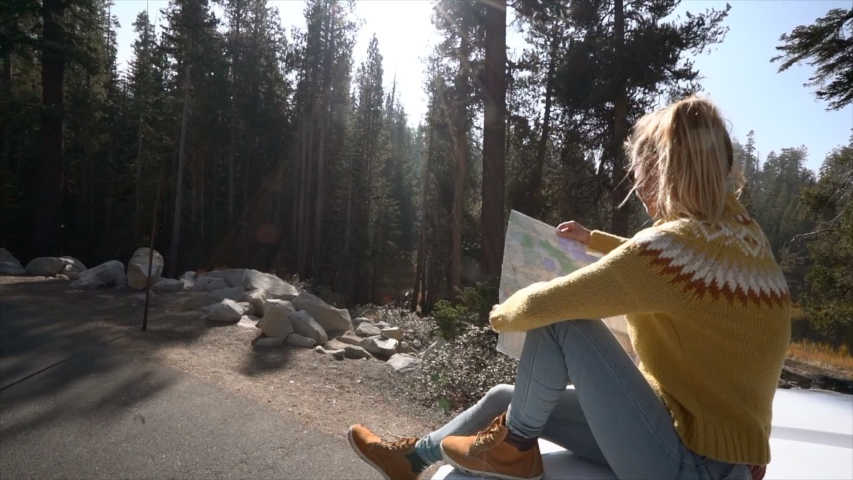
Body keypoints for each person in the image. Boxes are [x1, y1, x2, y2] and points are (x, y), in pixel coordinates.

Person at [347, 96, 791, 480]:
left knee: (562, 321)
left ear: (664, 170)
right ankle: (409, 459)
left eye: (639, 173)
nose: (638, 188)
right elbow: (685, 273)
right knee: (509, 397)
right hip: (718, 458)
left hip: (686, 465)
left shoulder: (673, 249)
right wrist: (596, 240)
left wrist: (499, 313)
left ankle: (515, 451)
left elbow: (548, 305)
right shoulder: (744, 238)